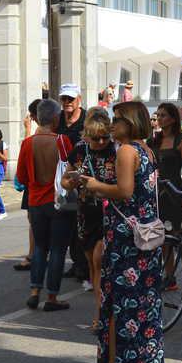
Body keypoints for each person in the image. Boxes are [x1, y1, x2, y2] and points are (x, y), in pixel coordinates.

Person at [81, 101, 164, 363]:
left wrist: (94, 185)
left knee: (117, 302)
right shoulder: (146, 149)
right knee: (147, 300)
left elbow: (124, 191)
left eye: (117, 120)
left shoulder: (126, 151)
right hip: (147, 234)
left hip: (126, 237)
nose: (111, 125)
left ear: (130, 123)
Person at [62, 108, 116, 329]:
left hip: (110, 213)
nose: (101, 141)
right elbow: (65, 180)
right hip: (86, 213)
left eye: (105, 136)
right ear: (86, 135)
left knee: (99, 259)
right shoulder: (79, 151)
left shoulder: (116, 151)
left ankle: (104, 315)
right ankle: (100, 311)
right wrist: (72, 182)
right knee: (93, 268)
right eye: (96, 138)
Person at [16, 99, 72, 311]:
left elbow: (21, 177)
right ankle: (52, 297)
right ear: (55, 118)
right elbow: (71, 169)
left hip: (35, 202)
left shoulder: (28, 143)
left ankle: (34, 291)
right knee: (57, 250)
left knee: (40, 247)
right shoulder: (62, 141)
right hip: (58, 202)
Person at [57, 84, 89, 281]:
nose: (67, 103)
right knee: (68, 222)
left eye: (71, 99)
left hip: (83, 176)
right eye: (64, 99)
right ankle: (76, 263)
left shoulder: (86, 119)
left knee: (82, 223)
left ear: (79, 99)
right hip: (64, 176)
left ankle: (84, 266)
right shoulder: (58, 120)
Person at [150, 103, 182, 228]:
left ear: (173, 119)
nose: (159, 119)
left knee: (174, 230)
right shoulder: (153, 140)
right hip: (155, 190)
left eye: (163, 115)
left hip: (174, 189)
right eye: (158, 115)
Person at [14, 99, 41, 272]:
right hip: (33, 182)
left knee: (36, 221)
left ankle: (35, 256)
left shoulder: (41, 131)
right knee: (33, 221)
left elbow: (27, 151)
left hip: (36, 183)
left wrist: (27, 130)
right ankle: (33, 255)